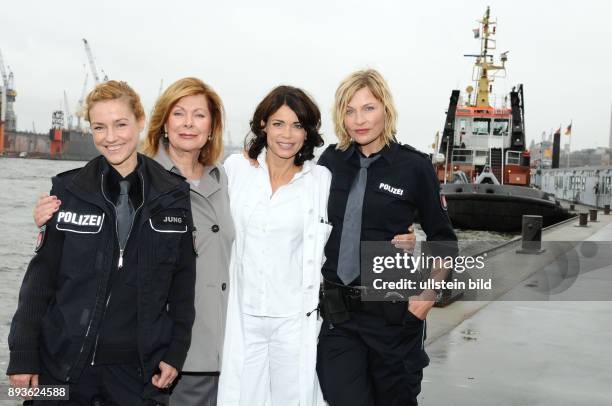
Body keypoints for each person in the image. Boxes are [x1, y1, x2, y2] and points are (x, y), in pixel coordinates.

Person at [33, 77, 234, 406]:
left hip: (211, 344)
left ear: (212, 125)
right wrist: (49, 219)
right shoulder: (138, 176)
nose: (188, 123)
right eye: (179, 113)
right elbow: (57, 269)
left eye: (199, 115)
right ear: (161, 122)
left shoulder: (228, 178)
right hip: (145, 352)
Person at [316, 69, 458, 406]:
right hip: (339, 318)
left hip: (394, 317)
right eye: (349, 111)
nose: (359, 120)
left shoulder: (414, 167)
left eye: (368, 108)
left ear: (386, 110)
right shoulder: (330, 162)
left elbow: (444, 240)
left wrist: (425, 300)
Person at [217, 85, 331, 406]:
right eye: (279, 123)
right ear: (263, 124)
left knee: (293, 399)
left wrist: (401, 237)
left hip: (293, 319)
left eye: (297, 125)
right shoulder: (236, 170)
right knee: (240, 398)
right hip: (243, 315)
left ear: (307, 132)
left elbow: (345, 234)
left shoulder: (319, 181)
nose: (287, 134)